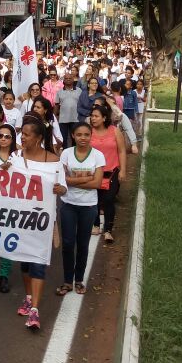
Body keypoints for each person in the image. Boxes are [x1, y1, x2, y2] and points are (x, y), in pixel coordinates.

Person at [15, 117, 65, 330]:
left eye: (26, 134)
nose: (22, 137)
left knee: (38, 263)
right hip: (20, 221)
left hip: (42, 222)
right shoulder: (16, 158)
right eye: (22, 134)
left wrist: (59, 189)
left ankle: (35, 310)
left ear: (38, 138)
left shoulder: (53, 160)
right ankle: (28, 296)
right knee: (25, 263)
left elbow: (63, 188)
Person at [56, 122, 105, 297]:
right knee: (68, 243)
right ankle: (67, 281)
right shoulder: (66, 154)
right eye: (79, 135)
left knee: (83, 244)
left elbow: (97, 183)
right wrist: (86, 179)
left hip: (88, 206)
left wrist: (72, 180)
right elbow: (62, 180)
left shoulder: (98, 156)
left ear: (91, 136)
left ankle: (79, 280)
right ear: (73, 136)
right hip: (68, 204)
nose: (83, 138)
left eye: (86, 134)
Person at [0, 124, 21, 293]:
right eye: (0, 136)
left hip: (13, 204)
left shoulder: (19, 157)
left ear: (13, 139)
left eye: (7, 136)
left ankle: (4, 275)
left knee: (8, 237)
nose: (3, 139)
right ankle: (3, 264)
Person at [89, 104, 127, 242]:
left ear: (104, 118)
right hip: (94, 173)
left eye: (96, 116)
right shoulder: (88, 132)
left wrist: (123, 170)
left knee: (109, 200)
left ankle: (108, 230)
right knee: (95, 200)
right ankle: (95, 225)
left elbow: (122, 151)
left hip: (113, 171)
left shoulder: (115, 131)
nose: (93, 119)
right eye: (92, 116)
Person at [55, 74, 81, 149]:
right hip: (63, 119)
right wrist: (54, 116)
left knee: (75, 138)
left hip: (76, 119)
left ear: (73, 80)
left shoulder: (79, 90)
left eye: (70, 78)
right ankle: (64, 154)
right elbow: (56, 105)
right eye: (66, 78)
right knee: (63, 138)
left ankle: (75, 153)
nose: (68, 79)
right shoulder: (59, 92)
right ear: (63, 80)